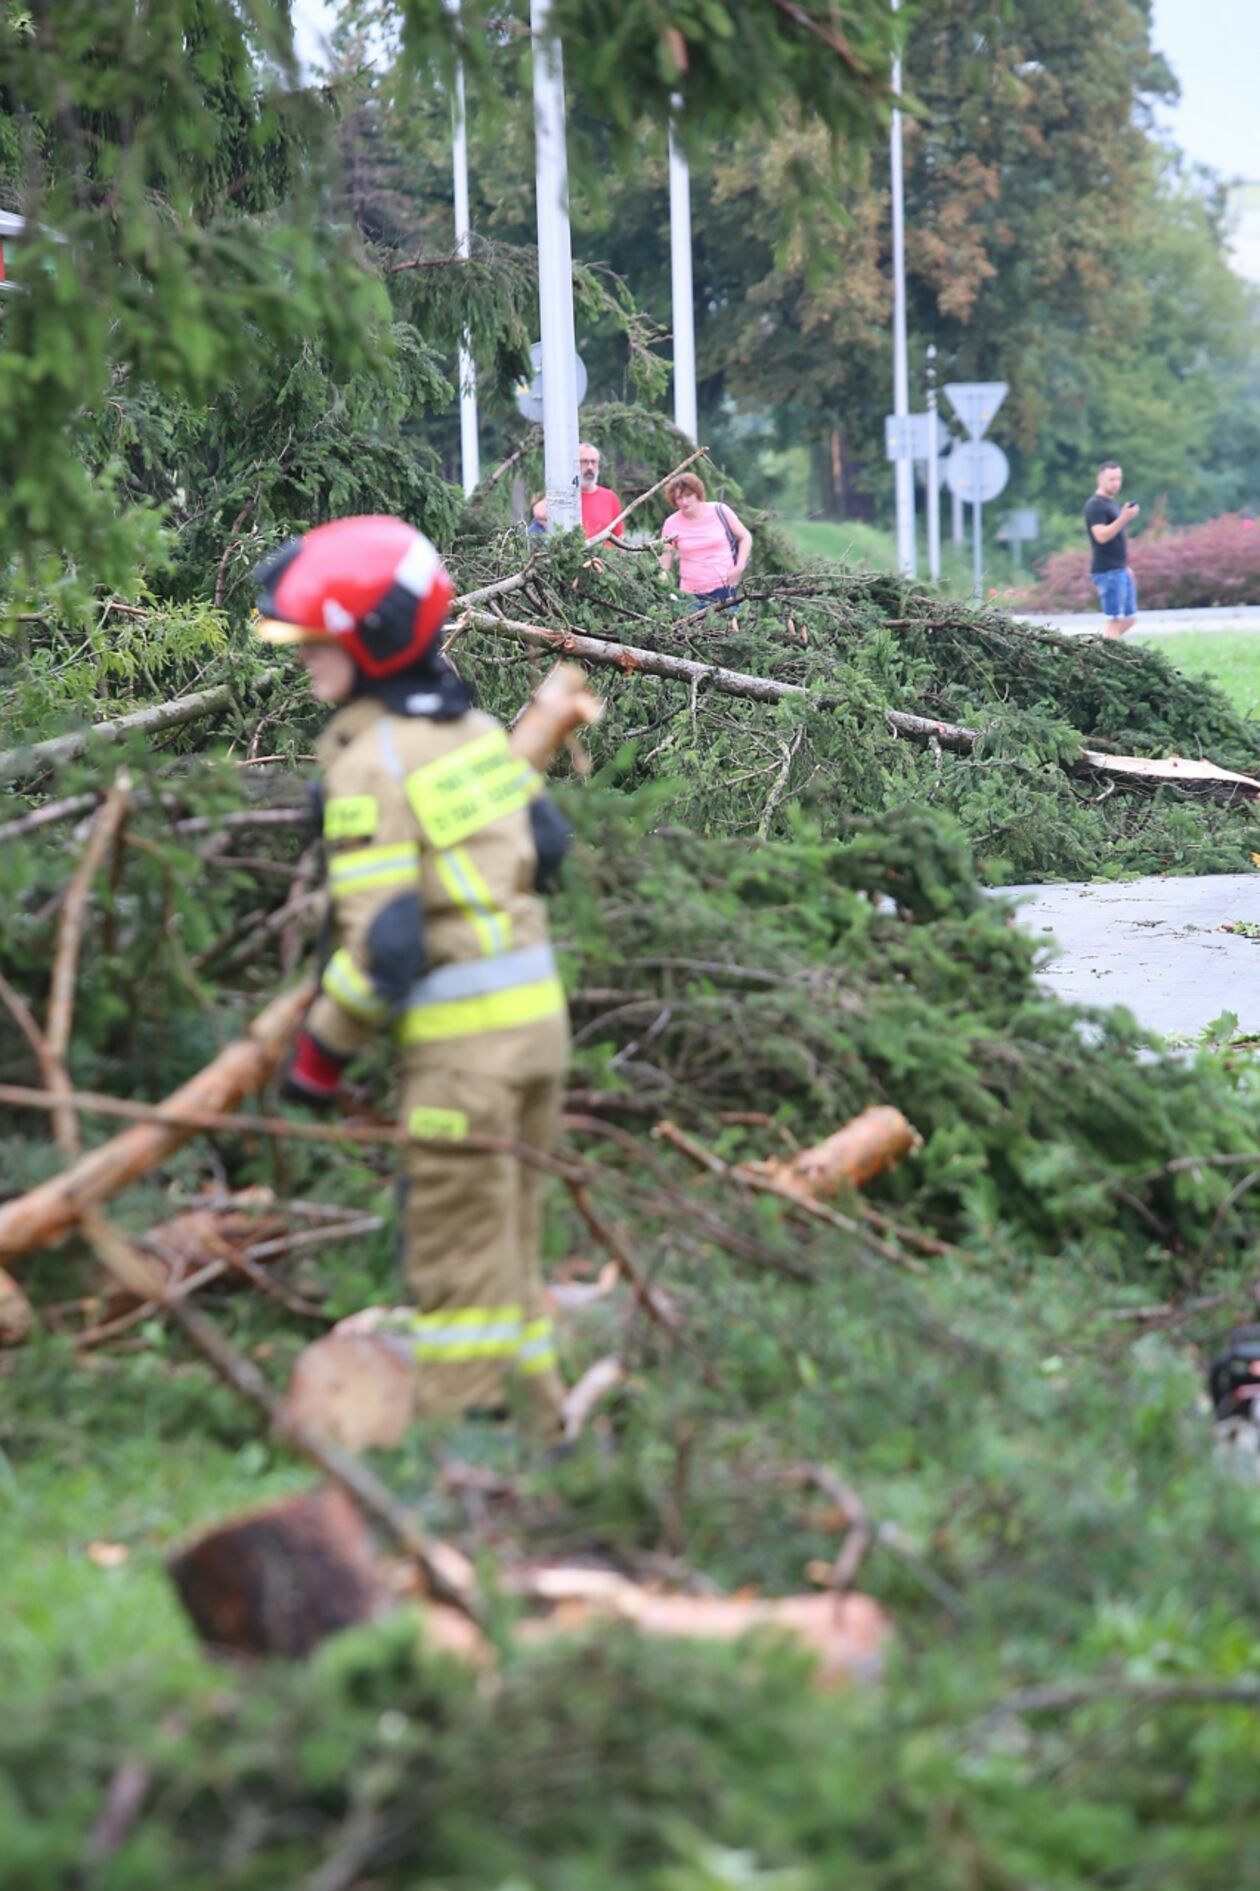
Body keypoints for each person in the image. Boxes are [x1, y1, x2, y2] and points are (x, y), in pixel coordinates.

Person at [253, 515, 571, 1432]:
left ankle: (465, 1472)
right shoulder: (472, 728)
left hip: (462, 1062)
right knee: (512, 1252)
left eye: (321, 641)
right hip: (538, 1035)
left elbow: (385, 949)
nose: (307, 658)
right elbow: (547, 845)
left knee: (457, 1270)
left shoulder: (371, 763)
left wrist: (318, 1056)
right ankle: (550, 1437)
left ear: (376, 640)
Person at [659, 472, 752, 609]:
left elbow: (745, 537)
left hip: (725, 590)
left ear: (697, 494)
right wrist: (661, 583)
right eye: (679, 497)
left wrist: (739, 567)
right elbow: (664, 563)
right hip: (690, 596)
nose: (684, 501)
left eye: (688, 495)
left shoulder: (720, 511)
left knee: (727, 629)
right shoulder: (671, 523)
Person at [1084, 459, 1140, 638]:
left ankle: (1100, 648)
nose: (1116, 483)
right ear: (1099, 479)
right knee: (1114, 619)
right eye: (1111, 479)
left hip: (1119, 568)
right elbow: (1100, 536)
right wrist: (1124, 518)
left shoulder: (1111, 504)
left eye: (1118, 479)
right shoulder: (1095, 505)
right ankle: (1101, 657)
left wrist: (1124, 567)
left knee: (1129, 618)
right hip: (1107, 570)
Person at [529, 443, 624, 540]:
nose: (590, 467)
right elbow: (541, 514)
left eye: (593, 462)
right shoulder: (562, 494)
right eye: (584, 462)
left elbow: (619, 538)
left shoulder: (610, 498)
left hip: (604, 554)